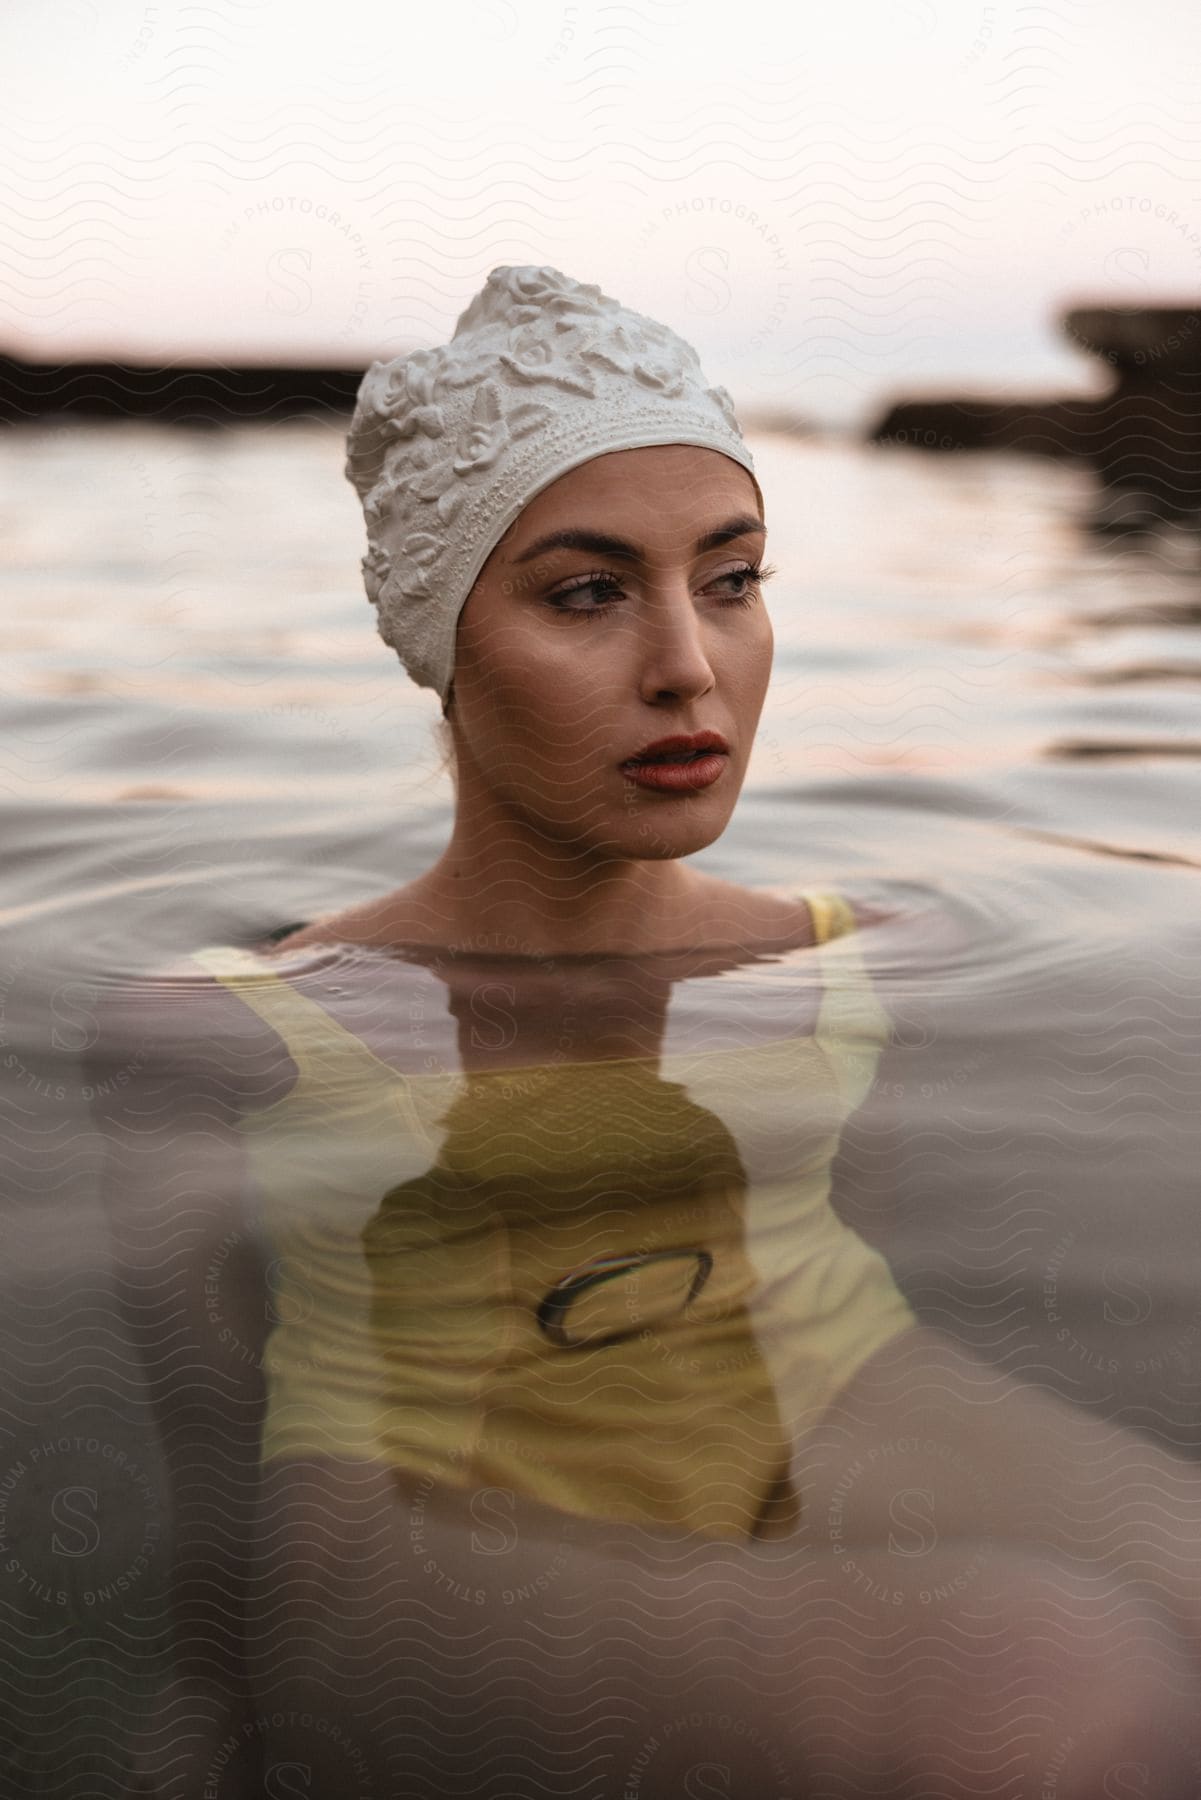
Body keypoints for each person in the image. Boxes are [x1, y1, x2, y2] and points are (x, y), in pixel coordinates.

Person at [95, 265, 1201, 1798]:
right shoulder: (224, 1035)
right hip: (407, 1513)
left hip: (820, 1397)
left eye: (732, 579)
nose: (689, 665)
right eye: (588, 591)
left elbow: (838, 1288)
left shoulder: (860, 962)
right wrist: (219, 1722)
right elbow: (210, 1456)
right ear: (442, 636)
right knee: (1046, 1684)